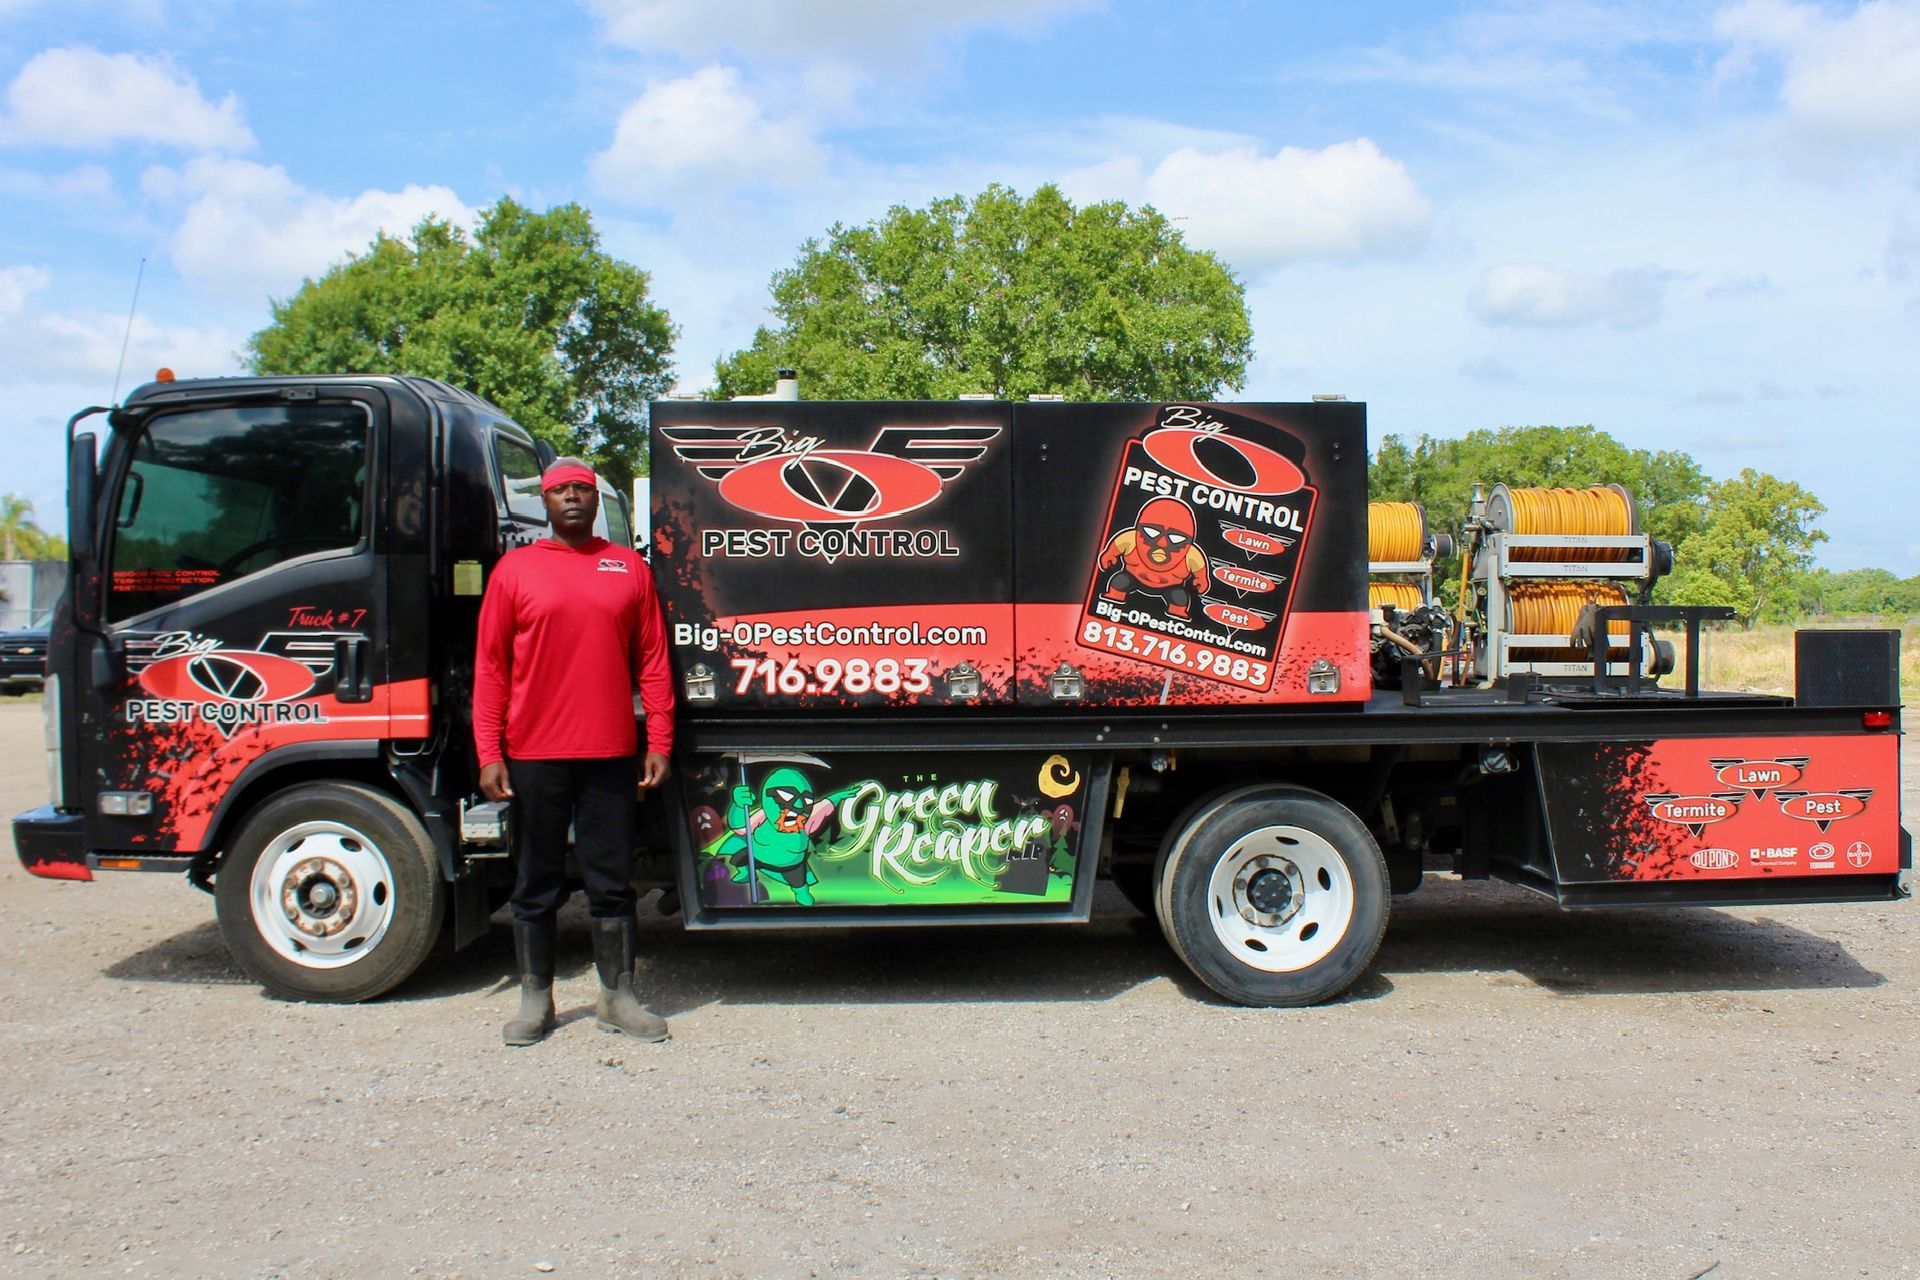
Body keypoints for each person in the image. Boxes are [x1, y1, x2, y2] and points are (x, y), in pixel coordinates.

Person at [472, 457, 675, 1047]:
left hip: (611, 751)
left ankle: (618, 996)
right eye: (560, 491)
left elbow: (654, 662)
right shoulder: (516, 571)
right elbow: (491, 669)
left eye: (581, 491)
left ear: (595, 500)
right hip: (534, 753)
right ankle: (536, 999)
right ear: (544, 501)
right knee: (536, 879)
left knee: (611, 880)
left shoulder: (628, 568)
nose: (571, 500)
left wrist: (657, 738)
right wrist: (490, 751)